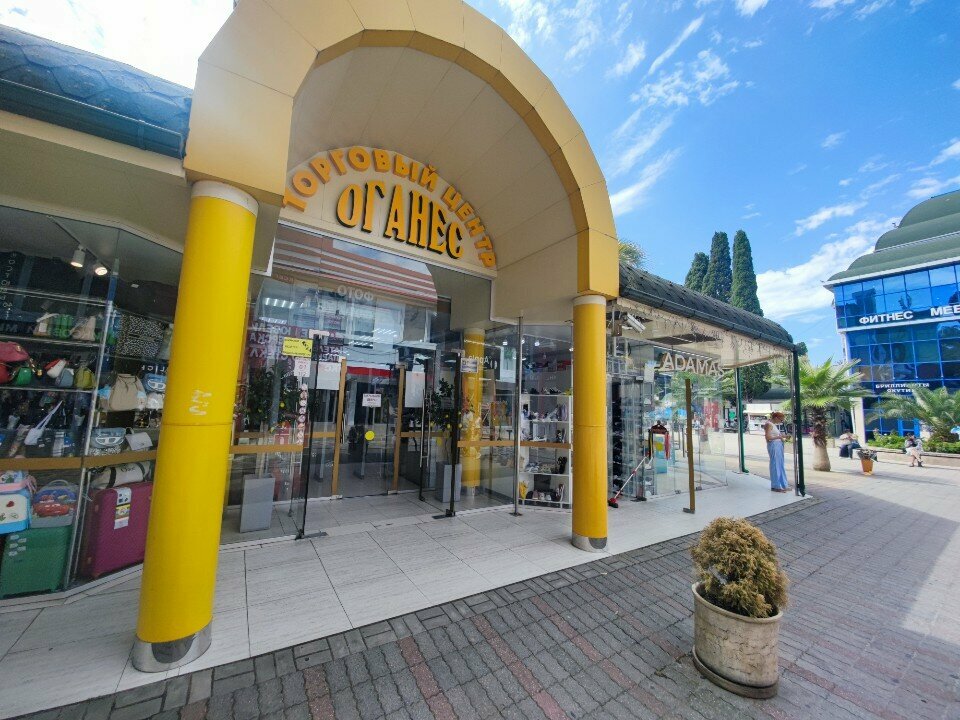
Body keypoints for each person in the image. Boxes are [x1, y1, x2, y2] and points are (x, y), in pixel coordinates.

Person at [763, 411, 790, 492]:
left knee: (780, 464)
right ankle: (776, 486)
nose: (781, 422)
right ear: (776, 418)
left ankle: (783, 484)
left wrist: (784, 436)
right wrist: (779, 437)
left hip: (778, 445)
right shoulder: (769, 424)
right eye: (781, 420)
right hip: (774, 445)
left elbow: (775, 435)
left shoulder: (773, 425)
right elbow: (768, 437)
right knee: (775, 465)